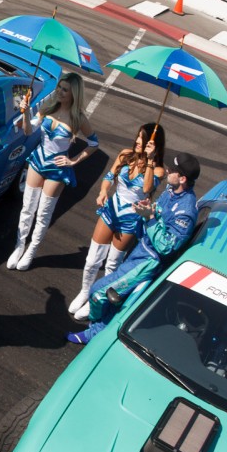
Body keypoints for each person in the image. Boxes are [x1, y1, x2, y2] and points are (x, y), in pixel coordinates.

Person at [68, 153, 201, 345]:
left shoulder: (186, 211)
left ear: (183, 179)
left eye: (172, 171)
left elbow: (167, 247)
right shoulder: (171, 191)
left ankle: (93, 333)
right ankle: (97, 330)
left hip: (149, 261)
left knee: (99, 292)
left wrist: (150, 218)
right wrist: (148, 209)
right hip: (141, 250)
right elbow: (157, 214)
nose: (168, 172)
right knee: (114, 297)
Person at [70, 123, 165, 319]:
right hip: (111, 211)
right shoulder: (125, 154)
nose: (138, 141)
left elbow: (147, 189)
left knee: (112, 264)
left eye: (144, 139)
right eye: (138, 136)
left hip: (130, 220)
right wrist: (104, 190)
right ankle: (84, 293)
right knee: (92, 259)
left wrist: (149, 160)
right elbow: (108, 176)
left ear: (153, 145)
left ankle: (97, 301)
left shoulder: (158, 170)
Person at [6, 74, 99, 271]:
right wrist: (24, 112)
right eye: (59, 87)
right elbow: (29, 131)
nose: (60, 91)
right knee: (27, 208)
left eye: (65, 89)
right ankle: (19, 246)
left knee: (43, 214)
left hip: (57, 169)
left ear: (74, 93)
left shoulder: (79, 118)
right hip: (38, 160)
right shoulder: (48, 106)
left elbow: (93, 143)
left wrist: (73, 161)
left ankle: (31, 251)